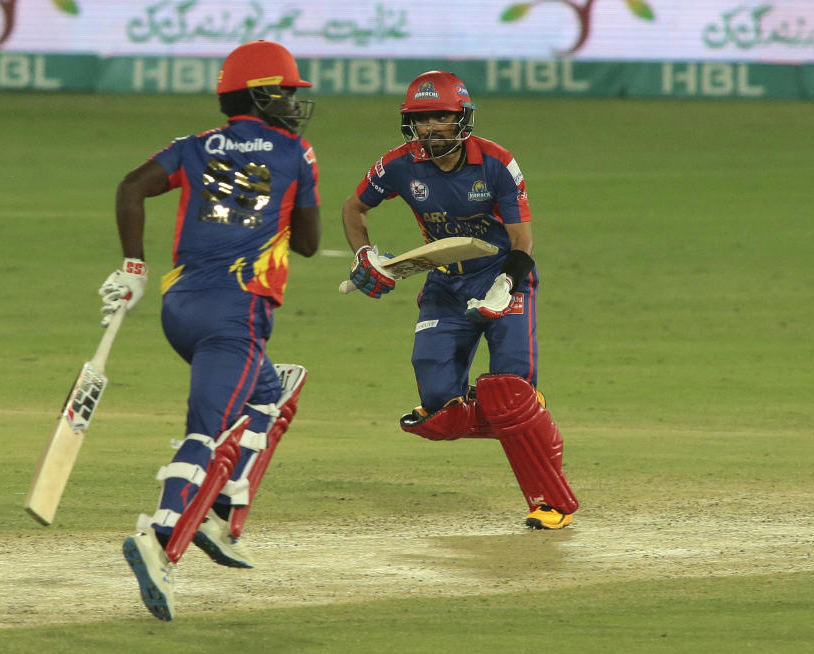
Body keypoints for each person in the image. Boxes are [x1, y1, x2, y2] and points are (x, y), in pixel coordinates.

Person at [99, 40, 321, 621]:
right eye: (289, 92)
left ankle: (222, 511)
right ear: (264, 93)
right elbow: (308, 243)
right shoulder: (297, 151)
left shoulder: (193, 147)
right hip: (238, 312)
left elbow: (130, 186)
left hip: (180, 308)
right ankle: (160, 540)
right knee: (207, 429)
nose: (295, 104)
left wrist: (132, 268)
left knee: (271, 394)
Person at [340, 70, 578, 532]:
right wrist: (365, 253)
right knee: (439, 408)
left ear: (462, 118)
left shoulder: (496, 163)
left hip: (503, 277)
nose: (430, 128)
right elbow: (354, 208)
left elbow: (522, 242)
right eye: (421, 119)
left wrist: (506, 285)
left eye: (441, 117)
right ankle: (527, 415)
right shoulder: (397, 164)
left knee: (509, 389)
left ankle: (551, 502)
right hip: (445, 286)